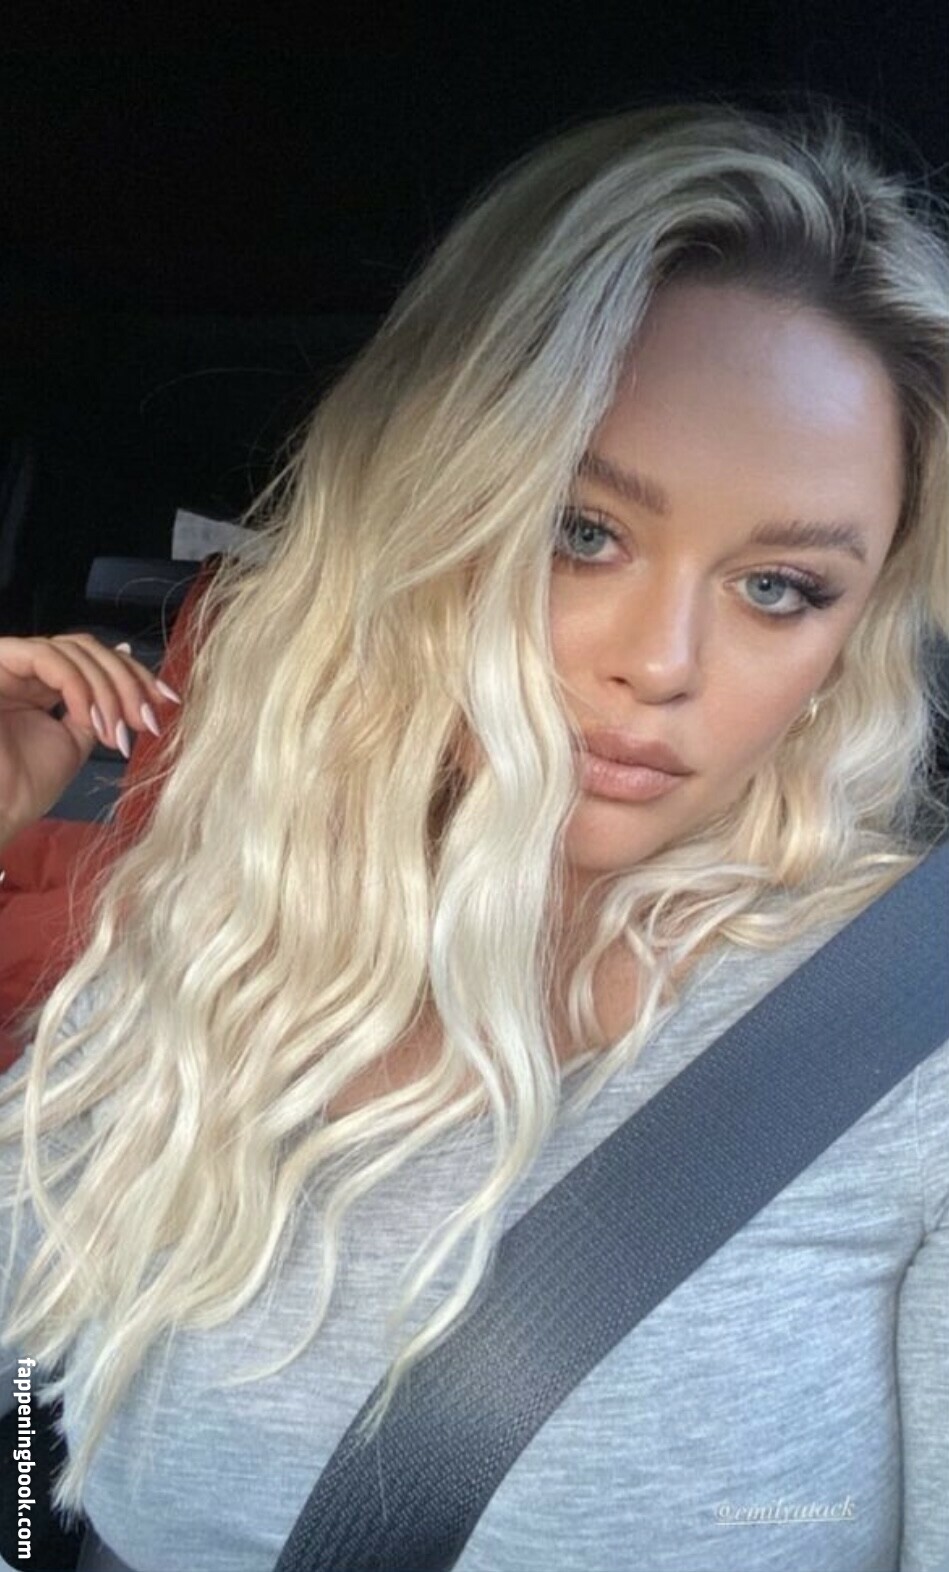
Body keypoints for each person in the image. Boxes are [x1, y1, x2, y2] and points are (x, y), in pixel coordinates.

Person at [2, 88, 949, 1572]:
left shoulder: (907, 1037)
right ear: (423, 521)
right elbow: (25, 1410)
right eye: (581, 531)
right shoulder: (216, 926)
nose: (660, 664)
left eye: (781, 587)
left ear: (854, 631)